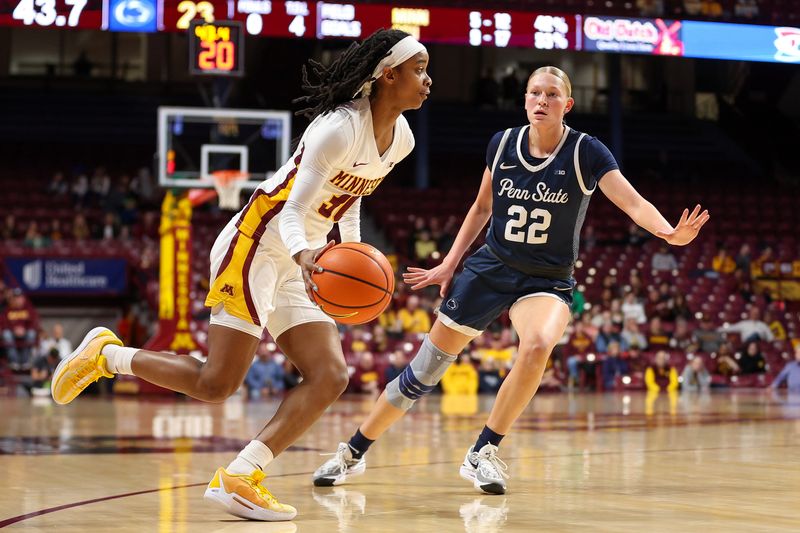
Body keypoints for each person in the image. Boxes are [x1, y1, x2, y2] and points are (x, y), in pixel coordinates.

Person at [49, 29, 432, 521]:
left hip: (305, 256)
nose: (428, 79)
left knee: (330, 374)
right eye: (418, 68)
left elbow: (351, 198)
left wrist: (351, 252)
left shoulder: (401, 138)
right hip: (257, 243)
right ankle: (108, 356)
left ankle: (241, 475)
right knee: (216, 383)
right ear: (388, 74)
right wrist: (306, 255)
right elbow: (291, 210)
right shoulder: (337, 128)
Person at [312, 65, 709, 494]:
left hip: (547, 278)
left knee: (538, 343)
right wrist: (449, 263)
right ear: (524, 100)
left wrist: (669, 232)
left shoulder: (586, 153)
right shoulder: (502, 144)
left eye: (552, 95)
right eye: (535, 93)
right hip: (491, 267)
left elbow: (632, 202)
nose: (542, 100)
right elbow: (481, 208)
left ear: (567, 105)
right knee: (421, 374)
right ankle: (352, 452)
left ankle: (484, 450)